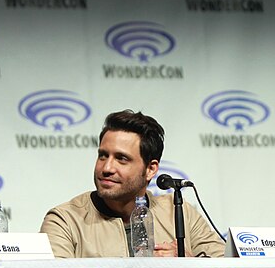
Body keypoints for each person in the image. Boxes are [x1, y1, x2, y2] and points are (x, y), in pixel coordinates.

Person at [40, 110, 225, 258]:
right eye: (103, 155)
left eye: (121, 159)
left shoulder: (180, 212)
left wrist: (186, 262)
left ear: (151, 169)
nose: (107, 168)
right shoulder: (65, 220)